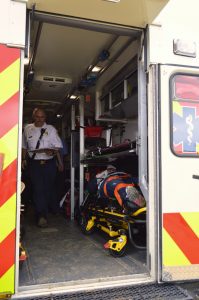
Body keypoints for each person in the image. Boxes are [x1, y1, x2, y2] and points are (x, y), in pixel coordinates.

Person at [22, 108, 63, 228]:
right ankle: (41, 215)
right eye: (37, 117)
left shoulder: (51, 129)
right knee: (38, 189)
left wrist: (54, 154)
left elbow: (58, 147)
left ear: (45, 118)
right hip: (34, 163)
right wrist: (23, 159)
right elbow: (24, 146)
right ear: (33, 117)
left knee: (48, 189)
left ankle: (47, 210)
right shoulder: (27, 128)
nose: (40, 120)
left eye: (42, 117)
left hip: (49, 164)